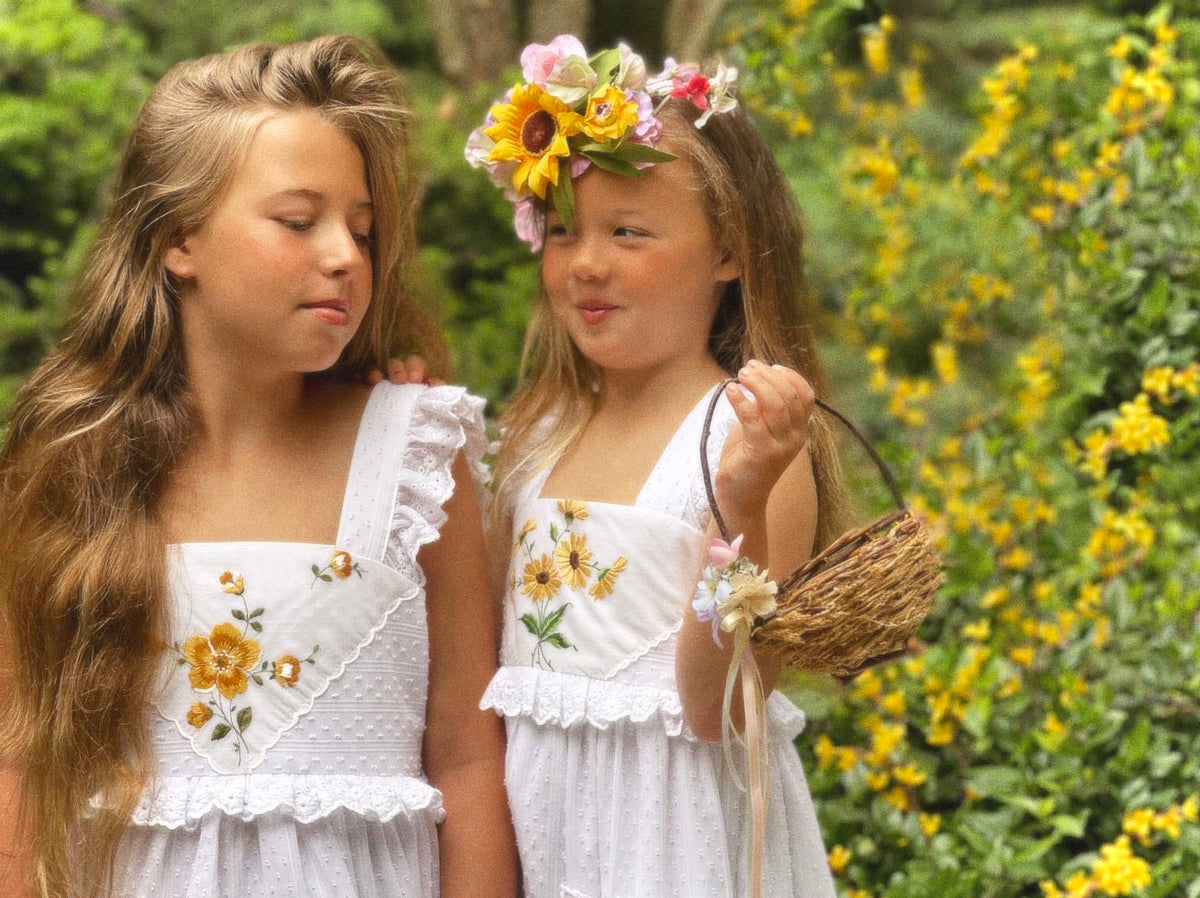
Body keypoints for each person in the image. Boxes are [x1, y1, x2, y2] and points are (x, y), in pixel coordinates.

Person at [0, 35, 517, 898]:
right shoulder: (70, 467)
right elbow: (20, 758)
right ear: (178, 240)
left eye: (362, 227)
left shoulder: (417, 459)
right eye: (296, 220)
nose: (347, 256)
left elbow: (466, 758)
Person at [466, 35, 844, 898]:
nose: (588, 263)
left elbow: (721, 710)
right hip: (545, 835)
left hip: (678, 848)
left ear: (729, 251)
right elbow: (482, 658)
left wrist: (740, 503)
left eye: (629, 232)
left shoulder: (747, 442)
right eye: (563, 232)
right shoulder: (536, 436)